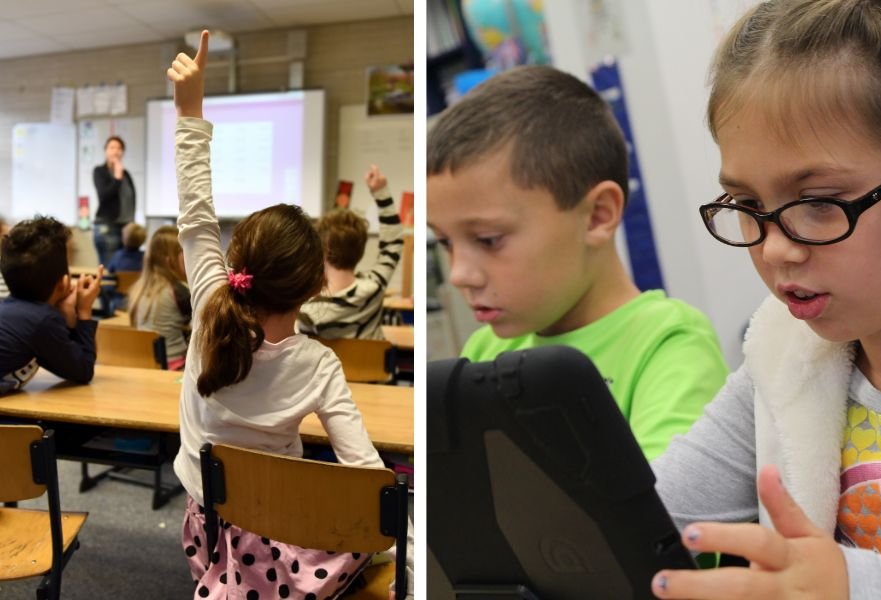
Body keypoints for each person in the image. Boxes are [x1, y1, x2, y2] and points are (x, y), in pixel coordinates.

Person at [649, 1, 881, 598]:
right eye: (748, 206)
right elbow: (648, 521)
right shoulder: (786, 357)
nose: (775, 248)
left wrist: (852, 586)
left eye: (818, 202)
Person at [166, 32, 413, 599]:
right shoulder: (319, 364)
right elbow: (366, 474)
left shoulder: (207, 310)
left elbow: (195, 216)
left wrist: (190, 112)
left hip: (207, 527)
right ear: (313, 287)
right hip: (286, 536)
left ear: (238, 263)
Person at [426, 65, 729, 460]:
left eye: (488, 239)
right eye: (445, 242)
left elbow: (662, 498)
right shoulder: (484, 350)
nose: (459, 274)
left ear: (597, 216)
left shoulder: (667, 343)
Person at [299, 164, 404, 340]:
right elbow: (393, 243)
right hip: (372, 359)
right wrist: (381, 192)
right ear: (360, 250)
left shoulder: (307, 311)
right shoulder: (373, 287)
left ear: (322, 250)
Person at [0, 216, 103, 393]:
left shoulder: (9, 310)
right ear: (64, 283)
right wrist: (84, 311)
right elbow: (83, 371)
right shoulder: (42, 321)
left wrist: (67, 312)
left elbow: (70, 362)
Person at [128, 225, 190, 370]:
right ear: (170, 260)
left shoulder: (139, 288)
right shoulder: (178, 291)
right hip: (175, 367)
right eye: (184, 252)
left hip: (146, 365)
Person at [93, 135, 136, 266]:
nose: (116, 151)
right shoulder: (100, 171)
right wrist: (117, 178)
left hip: (125, 228)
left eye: (119, 148)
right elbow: (104, 196)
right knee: (109, 271)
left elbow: (131, 199)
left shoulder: (126, 174)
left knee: (122, 269)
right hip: (107, 228)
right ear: (105, 151)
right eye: (112, 148)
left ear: (123, 152)